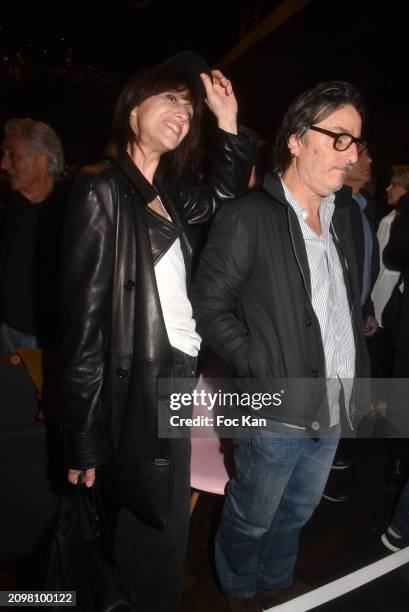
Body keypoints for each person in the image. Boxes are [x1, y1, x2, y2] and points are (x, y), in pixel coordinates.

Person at [61, 52, 255, 612]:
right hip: (139, 377)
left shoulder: (172, 190)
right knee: (158, 517)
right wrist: (83, 436)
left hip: (176, 367)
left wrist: (227, 124)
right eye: (171, 98)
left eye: (190, 109)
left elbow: (226, 201)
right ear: (133, 108)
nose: (183, 113)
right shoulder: (101, 190)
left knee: (159, 513)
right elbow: (83, 327)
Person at [191, 81, 370, 612]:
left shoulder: (344, 222)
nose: (352, 153)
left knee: (297, 512)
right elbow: (208, 307)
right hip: (272, 407)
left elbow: (341, 310)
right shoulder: (247, 217)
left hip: (334, 404)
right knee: (251, 515)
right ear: (295, 139)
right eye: (339, 137)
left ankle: (276, 579)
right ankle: (240, 590)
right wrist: (258, 366)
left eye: (356, 141)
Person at [0, 118, 65, 353]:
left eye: (13, 154)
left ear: (42, 158)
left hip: (48, 343)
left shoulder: (75, 211)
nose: (3, 164)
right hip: (6, 333)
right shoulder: (12, 210)